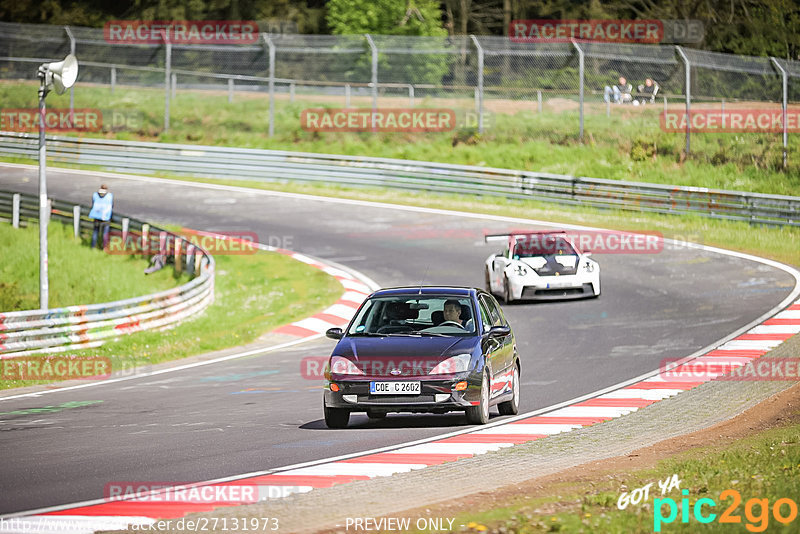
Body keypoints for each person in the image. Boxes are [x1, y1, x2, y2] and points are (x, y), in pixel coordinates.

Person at [89, 184, 113, 249]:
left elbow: (93, 203)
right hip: (105, 217)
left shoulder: (95, 195)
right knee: (105, 234)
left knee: (95, 232)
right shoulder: (109, 196)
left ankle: (93, 246)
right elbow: (111, 205)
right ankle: (104, 247)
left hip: (96, 216)